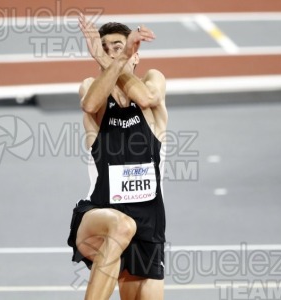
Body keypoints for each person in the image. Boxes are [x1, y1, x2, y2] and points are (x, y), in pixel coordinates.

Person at [67, 14, 168, 300]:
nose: (113, 53)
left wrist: (118, 58)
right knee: (122, 226)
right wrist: (119, 58)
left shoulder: (153, 80)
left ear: (137, 56)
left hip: (149, 223)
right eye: (106, 48)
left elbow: (147, 97)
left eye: (119, 47)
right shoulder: (91, 88)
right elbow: (89, 104)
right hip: (100, 214)